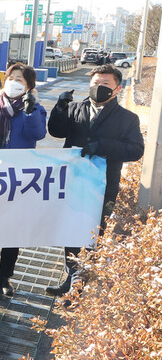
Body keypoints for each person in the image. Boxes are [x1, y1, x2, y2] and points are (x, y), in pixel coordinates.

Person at [45, 64, 144, 299]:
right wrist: (60, 107)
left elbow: (135, 150)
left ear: (118, 88)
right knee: (70, 231)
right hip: (72, 181)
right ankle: (71, 278)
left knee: (92, 235)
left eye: (105, 84)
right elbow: (56, 132)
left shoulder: (127, 118)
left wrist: (102, 147)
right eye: (95, 83)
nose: (98, 87)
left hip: (103, 187)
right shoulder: (76, 109)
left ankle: (80, 288)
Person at [0, 63, 47, 297]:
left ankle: (5, 277)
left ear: (29, 87)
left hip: (19, 178)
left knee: (13, 228)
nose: (14, 82)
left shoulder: (35, 110)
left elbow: (37, 134)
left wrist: (30, 112)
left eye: (21, 80)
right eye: (11, 78)